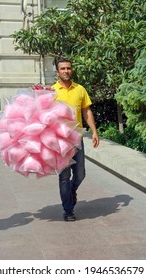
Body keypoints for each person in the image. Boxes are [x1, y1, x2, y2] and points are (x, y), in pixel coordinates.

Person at [52, 58, 99, 221]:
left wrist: (94, 131)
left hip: (77, 138)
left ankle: (71, 190)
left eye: (68, 68)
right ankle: (68, 209)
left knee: (80, 174)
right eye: (63, 68)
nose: (66, 71)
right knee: (64, 176)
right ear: (57, 72)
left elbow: (87, 111)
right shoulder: (51, 91)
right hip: (60, 141)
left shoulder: (80, 89)